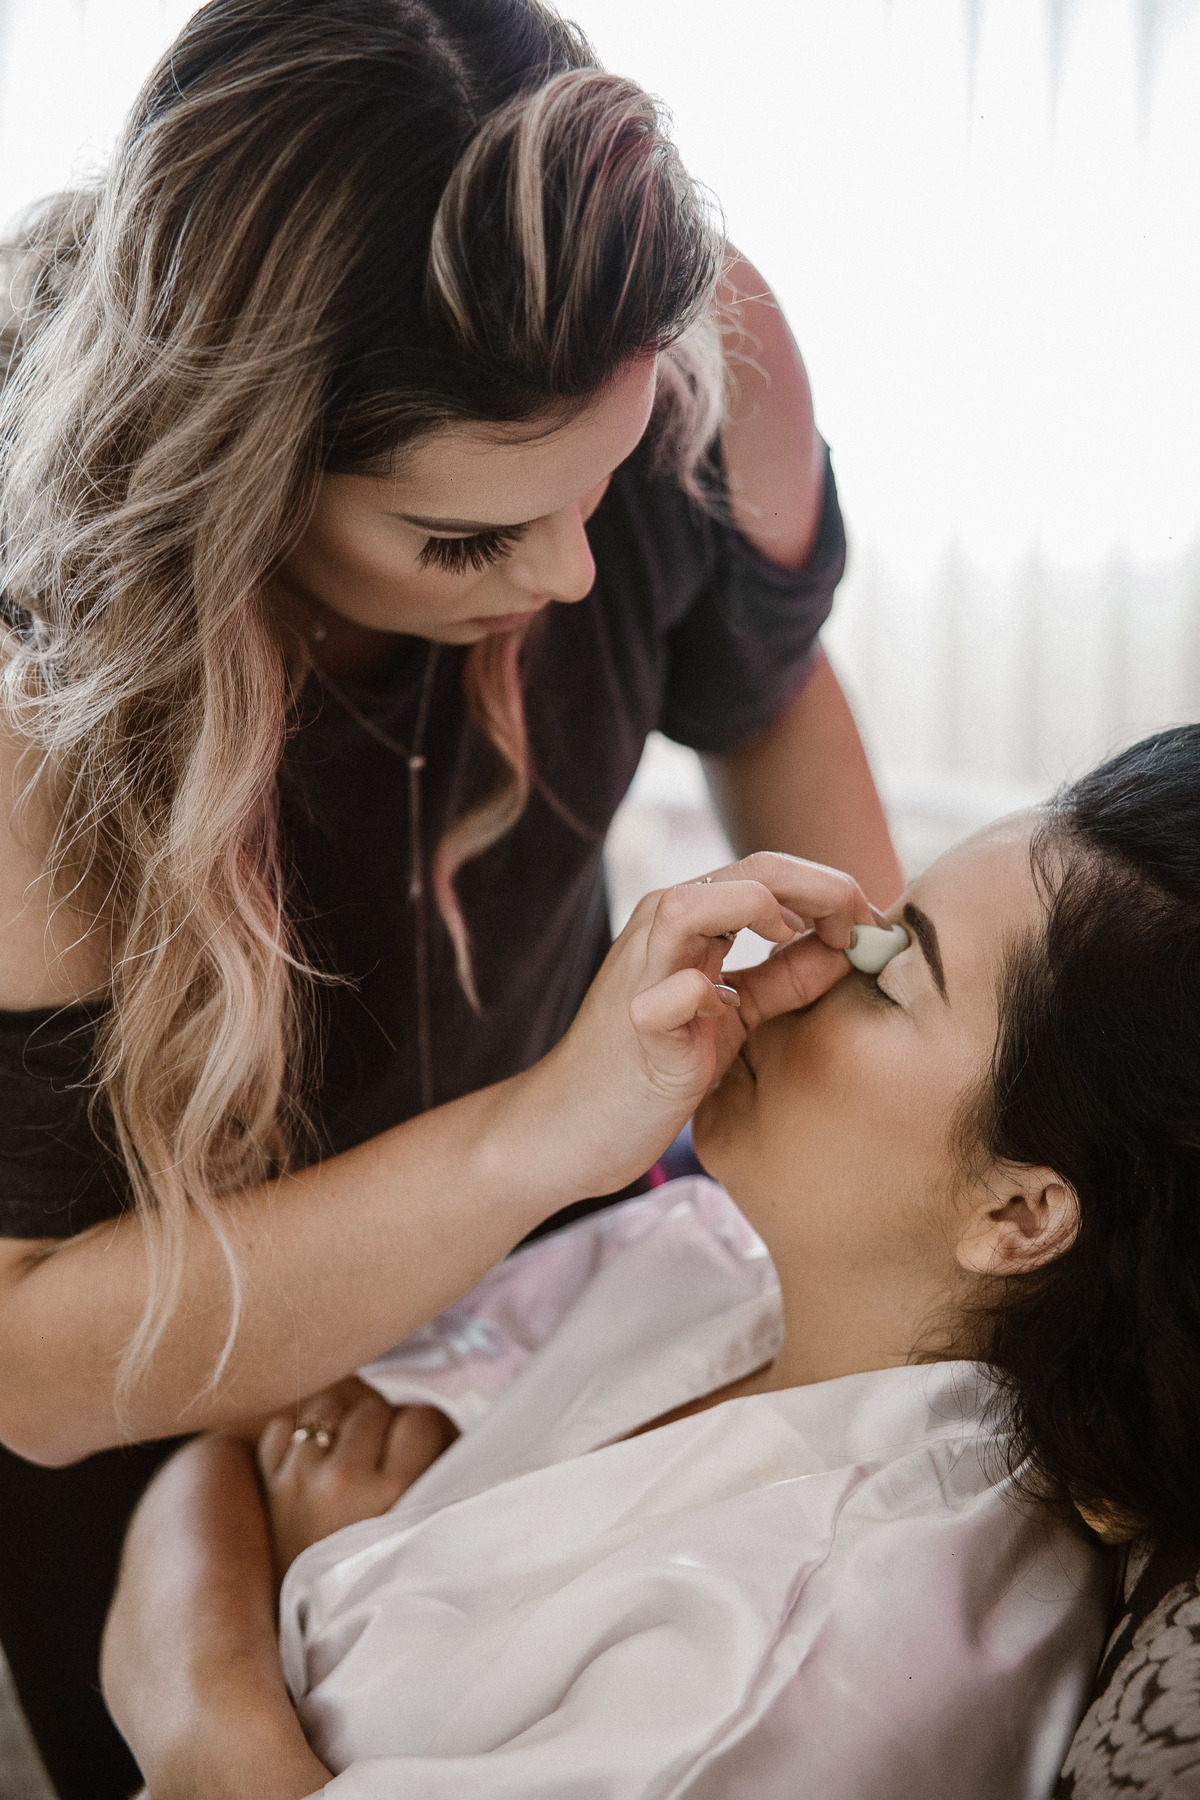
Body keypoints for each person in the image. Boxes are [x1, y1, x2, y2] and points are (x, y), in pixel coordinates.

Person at [0, 4, 902, 1787]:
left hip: (565, 1273)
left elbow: (783, 729)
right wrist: (541, 1134)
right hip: (156, 1377)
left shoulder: (701, 353)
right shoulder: (39, 703)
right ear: (231, 488)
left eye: (605, 482)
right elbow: (32, 1361)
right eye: (469, 539)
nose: (573, 576)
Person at [99, 727, 1200, 1798]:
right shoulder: (703, 1251)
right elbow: (222, 1447)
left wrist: (245, 1710)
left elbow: (238, 1499)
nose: (801, 968)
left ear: (1018, 1215)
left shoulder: (815, 1665)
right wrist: (241, 1708)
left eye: (885, 972)